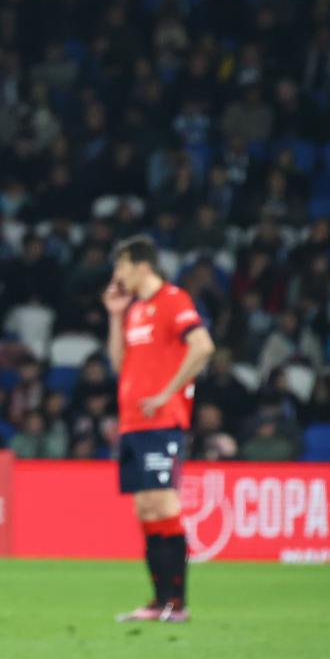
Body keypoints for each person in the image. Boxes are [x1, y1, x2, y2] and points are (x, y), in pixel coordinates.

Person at [102, 235, 215, 623]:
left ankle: (177, 604)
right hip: (133, 423)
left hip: (162, 421)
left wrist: (168, 393)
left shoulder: (173, 300)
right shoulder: (134, 310)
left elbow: (202, 346)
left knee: (164, 504)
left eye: (121, 266)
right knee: (145, 508)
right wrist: (115, 314)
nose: (118, 275)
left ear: (142, 266)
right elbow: (119, 364)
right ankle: (158, 601)